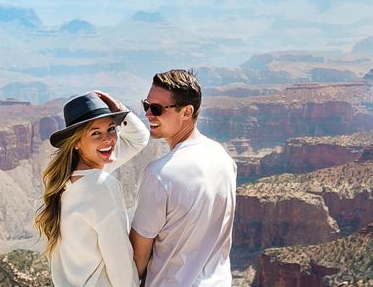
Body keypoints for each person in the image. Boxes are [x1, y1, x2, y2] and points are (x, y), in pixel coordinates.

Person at [129, 70, 238, 286]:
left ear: (187, 112)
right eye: (146, 106)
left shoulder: (160, 174)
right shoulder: (223, 158)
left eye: (157, 108)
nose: (148, 114)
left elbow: (137, 257)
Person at [38, 91, 149, 287]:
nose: (108, 140)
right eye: (95, 133)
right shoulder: (100, 185)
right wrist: (120, 109)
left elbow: (139, 138)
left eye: (111, 129)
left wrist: (119, 110)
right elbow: (119, 261)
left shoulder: (65, 180)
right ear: (76, 142)